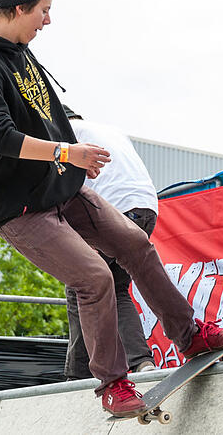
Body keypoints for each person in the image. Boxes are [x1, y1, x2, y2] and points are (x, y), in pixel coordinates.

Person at [0, 0, 223, 417]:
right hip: (20, 208)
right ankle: (113, 384)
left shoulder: (20, 50)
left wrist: (74, 156)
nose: (47, 21)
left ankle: (190, 337)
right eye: (43, 12)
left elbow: (48, 113)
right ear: (17, 8)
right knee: (93, 277)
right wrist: (67, 155)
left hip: (62, 191)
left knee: (135, 244)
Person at [61, 105, 158, 380]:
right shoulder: (108, 130)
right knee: (117, 289)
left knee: (79, 284)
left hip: (112, 210)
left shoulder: (67, 137)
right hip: (146, 208)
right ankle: (141, 361)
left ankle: (77, 374)